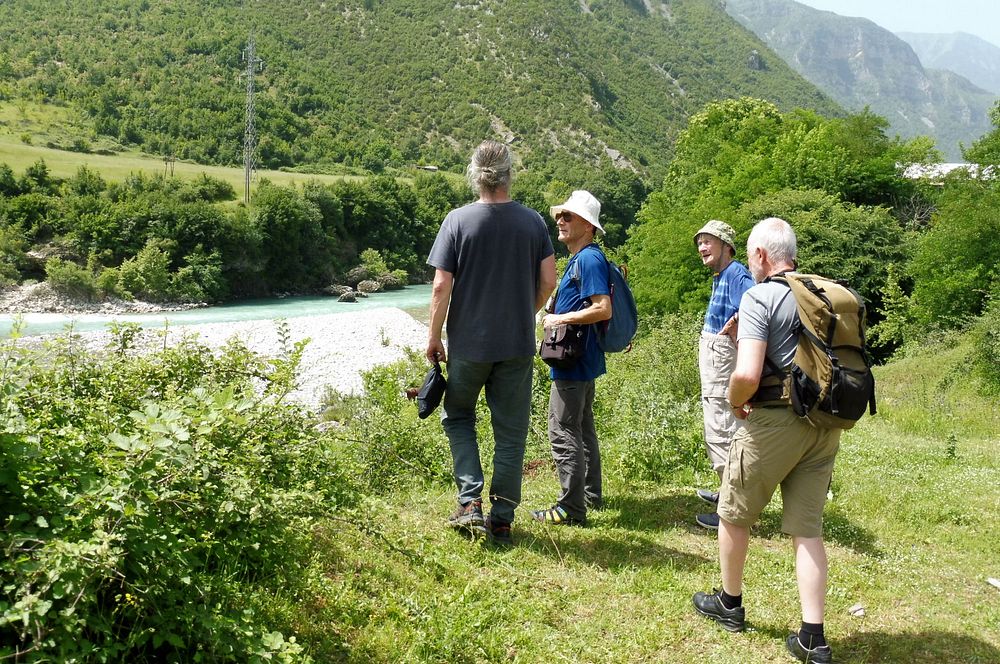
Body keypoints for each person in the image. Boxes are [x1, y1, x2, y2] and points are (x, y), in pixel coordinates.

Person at [692, 217, 838, 664]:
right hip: (824, 425)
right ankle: (813, 637)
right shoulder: (823, 294)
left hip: (775, 422)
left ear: (758, 256)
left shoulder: (760, 295)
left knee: (733, 513)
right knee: (806, 530)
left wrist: (737, 403)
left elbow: (747, 373)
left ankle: (729, 604)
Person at [426, 140, 556, 546]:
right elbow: (548, 282)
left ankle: (470, 504)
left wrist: (433, 336)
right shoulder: (533, 222)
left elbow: (441, 285)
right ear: (508, 174)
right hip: (516, 345)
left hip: (468, 345)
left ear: (475, 174)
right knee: (511, 432)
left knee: (459, 416)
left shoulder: (457, 221)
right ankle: (502, 519)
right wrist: (526, 313)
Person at [531, 191, 612, 527]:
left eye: (568, 216)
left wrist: (558, 319)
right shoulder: (583, 258)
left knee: (563, 430)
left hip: (572, 362)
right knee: (581, 426)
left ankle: (571, 507)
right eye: (560, 216)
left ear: (588, 226)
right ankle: (590, 495)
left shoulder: (589, 259)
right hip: (581, 361)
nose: (560, 222)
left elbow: (601, 307)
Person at [692, 220, 755, 530]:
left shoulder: (736, 274)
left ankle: (732, 509)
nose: (702, 247)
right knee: (717, 423)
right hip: (715, 354)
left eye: (708, 241)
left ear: (726, 246)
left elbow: (756, 306)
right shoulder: (722, 275)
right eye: (700, 242)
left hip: (722, 359)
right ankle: (726, 494)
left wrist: (734, 325)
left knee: (722, 428)